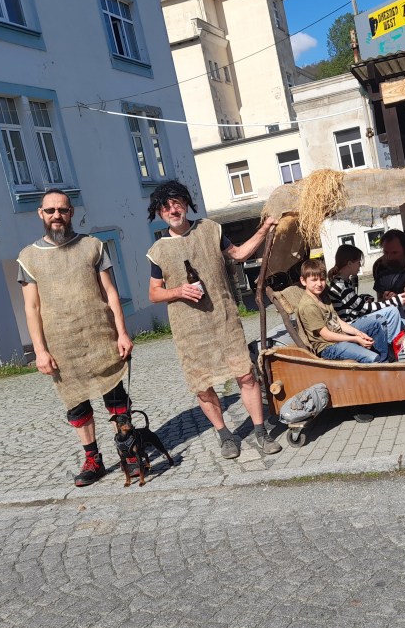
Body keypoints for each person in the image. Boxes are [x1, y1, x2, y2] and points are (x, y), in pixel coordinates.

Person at [146, 181, 281, 458]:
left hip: (224, 319)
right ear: (160, 213)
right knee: (203, 386)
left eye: (176, 203)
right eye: (166, 207)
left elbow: (240, 254)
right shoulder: (157, 250)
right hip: (189, 330)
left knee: (246, 374)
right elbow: (154, 293)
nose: (173, 210)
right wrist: (178, 291)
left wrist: (265, 228)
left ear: (186, 204)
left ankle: (260, 432)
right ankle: (225, 435)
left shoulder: (210, 229)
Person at [17, 188, 134, 486]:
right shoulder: (28, 257)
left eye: (62, 210)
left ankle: (129, 451)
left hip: (101, 337)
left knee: (116, 398)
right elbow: (32, 308)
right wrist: (40, 351)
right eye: (50, 210)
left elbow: (111, 293)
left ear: (71, 213)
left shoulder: (92, 246)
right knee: (77, 405)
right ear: (41, 214)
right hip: (61, 346)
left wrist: (122, 333)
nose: (57, 215)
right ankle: (93, 460)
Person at [296, 259, 391, 364]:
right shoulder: (309, 306)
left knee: (377, 323)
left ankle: (384, 362)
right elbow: (326, 335)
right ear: (303, 281)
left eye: (322, 279)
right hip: (329, 347)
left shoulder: (323, 297)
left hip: (339, 334)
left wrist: (358, 333)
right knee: (372, 357)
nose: (319, 284)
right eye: (314, 280)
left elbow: (338, 321)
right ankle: (378, 366)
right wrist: (355, 339)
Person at [328, 244, 405, 357]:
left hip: (354, 321)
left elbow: (352, 302)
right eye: (358, 262)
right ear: (349, 264)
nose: (360, 265)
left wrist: (363, 298)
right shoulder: (340, 285)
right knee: (392, 310)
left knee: (395, 307)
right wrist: (396, 300)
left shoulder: (344, 282)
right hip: (350, 325)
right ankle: (394, 350)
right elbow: (364, 308)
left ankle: (402, 342)